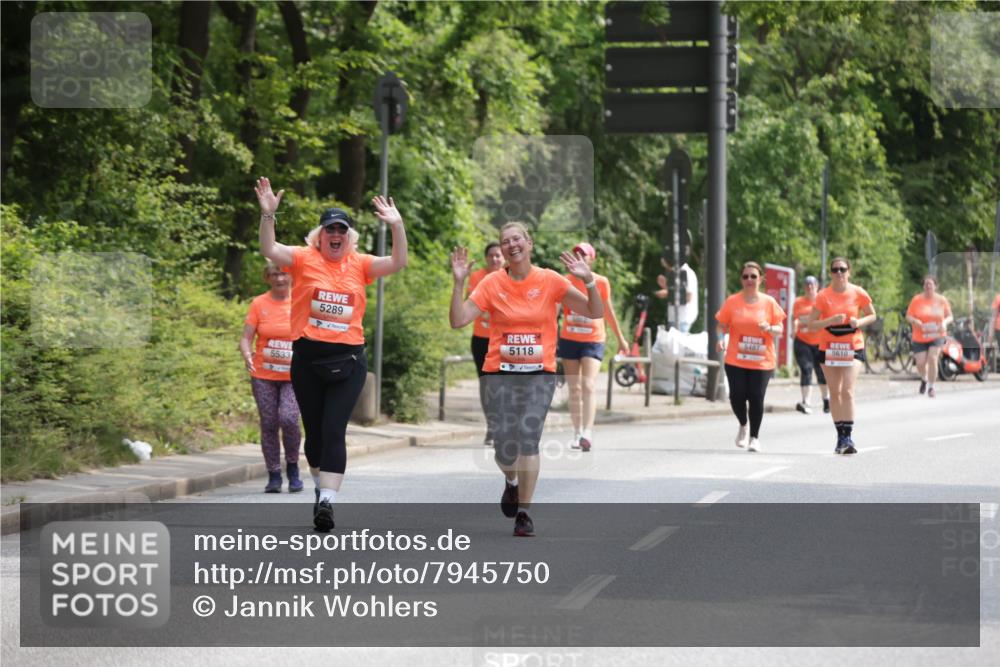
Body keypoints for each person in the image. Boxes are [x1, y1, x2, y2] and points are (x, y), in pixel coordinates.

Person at [255, 176, 407, 531]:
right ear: (319, 237)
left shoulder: (361, 264)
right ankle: (320, 486)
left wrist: (397, 225)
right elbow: (269, 248)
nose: (336, 235)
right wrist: (268, 215)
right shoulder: (302, 259)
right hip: (307, 360)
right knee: (315, 437)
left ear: (349, 238)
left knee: (334, 428)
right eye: (330, 230)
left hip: (349, 361)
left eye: (342, 230)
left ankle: (327, 501)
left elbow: (398, 262)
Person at [449, 222, 603, 537]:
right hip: (499, 374)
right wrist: (459, 282)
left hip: (539, 374)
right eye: (505, 241)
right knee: (504, 448)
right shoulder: (492, 282)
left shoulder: (550, 280)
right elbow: (458, 320)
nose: (511, 245)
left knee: (528, 439)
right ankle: (512, 481)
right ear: (502, 250)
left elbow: (593, 311)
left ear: (529, 243)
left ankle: (524, 513)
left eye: (517, 238)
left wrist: (588, 281)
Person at [557, 242, 630, 452]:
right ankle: (577, 432)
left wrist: (620, 338)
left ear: (592, 259)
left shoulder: (601, 282)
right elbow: (554, 311)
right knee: (574, 388)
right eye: (576, 254)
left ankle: (587, 433)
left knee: (588, 384)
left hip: (593, 339)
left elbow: (608, 311)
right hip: (569, 338)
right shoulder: (564, 281)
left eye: (584, 255)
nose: (579, 257)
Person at [240, 261, 303, 493]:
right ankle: (274, 475)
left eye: (284, 274)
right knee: (268, 423)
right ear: (267, 277)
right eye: (275, 274)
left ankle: (293, 468)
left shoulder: (300, 301)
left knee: (288, 418)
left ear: (292, 277)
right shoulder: (259, 303)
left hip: (294, 375)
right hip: (263, 375)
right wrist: (246, 354)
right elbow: (246, 337)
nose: (280, 279)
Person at [805, 257, 876, 455]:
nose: (839, 273)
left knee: (847, 390)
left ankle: (849, 436)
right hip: (829, 347)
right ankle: (840, 436)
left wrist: (858, 322)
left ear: (849, 272)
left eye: (842, 269)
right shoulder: (823, 295)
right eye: (835, 270)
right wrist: (829, 321)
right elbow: (811, 324)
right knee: (835, 392)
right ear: (830, 273)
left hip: (853, 345)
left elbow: (872, 315)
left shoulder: (858, 292)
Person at [715, 261, 786, 453]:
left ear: (760, 279)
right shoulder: (732, 301)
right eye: (745, 276)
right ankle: (743, 424)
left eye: (753, 276)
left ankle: (755, 437)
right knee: (737, 396)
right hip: (736, 358)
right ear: (741, 279)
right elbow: (721, 325)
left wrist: (769, 328)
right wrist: (720, 339)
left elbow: (780, 329)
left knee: (756, 396)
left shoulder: (769, 302)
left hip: (762, 360)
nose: (749, 279)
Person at [467, 242, 506, 446]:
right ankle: (491, 426)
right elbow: (472, 303)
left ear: (504, 258)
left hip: (504, 339)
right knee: (486, 383)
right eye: (491, 255)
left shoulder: (510, 276)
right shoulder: (477, 277)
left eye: (498, 255)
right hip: (481, 338)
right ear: (486, 258)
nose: (495, 259)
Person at [906, 275, 953, 398]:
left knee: (932, 358)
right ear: (923, 286)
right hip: (919, 335)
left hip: (937, 334)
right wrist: (915, 321)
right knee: (920, 363)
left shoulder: (941, 300)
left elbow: (950, 316)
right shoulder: (916, 300)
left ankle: (931, 387)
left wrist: (944, 322)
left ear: (935, 286)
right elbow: (908, 316)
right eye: (926, 284)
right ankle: (924, 378)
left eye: (930, 284)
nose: (928, 286)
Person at [792, 275, 830, 414]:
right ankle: (806, 402)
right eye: (807, 285)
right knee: (806, 369)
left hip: (820, 342)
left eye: (812, 285)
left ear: (817, 287)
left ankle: (826, 399)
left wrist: (812, 324)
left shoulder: (822, 301)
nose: (809, 287)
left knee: (821, 372)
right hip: (802, 341)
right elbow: (796, 319)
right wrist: (794, 328)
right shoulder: (798, 302)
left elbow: (826, 321)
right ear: (804, 287)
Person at [655, 260, 699, 333]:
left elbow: (688, 297)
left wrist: (667, 293)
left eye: (667, 266)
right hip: (677, 319)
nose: (667, 269)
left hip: (682, 320)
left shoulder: (686, 272)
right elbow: (677, 291)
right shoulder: (677, 273)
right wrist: (666, 286)